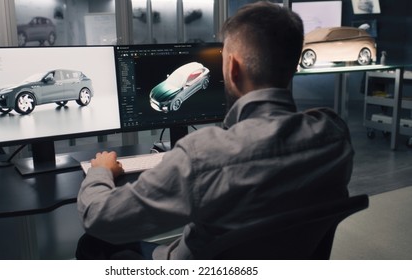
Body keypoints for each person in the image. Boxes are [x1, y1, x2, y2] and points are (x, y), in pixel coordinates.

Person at [76, 1, 354, 260]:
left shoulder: (202, 155)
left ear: (232, 69)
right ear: (294, 64)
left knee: (92, 243)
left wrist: (101, 170)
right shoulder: (334, 136)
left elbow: (99, 218)